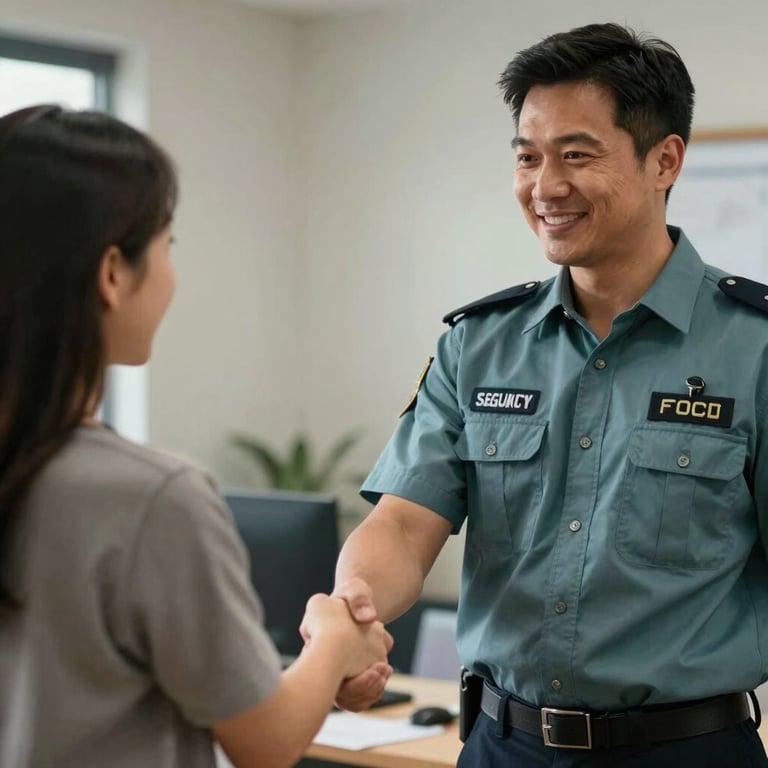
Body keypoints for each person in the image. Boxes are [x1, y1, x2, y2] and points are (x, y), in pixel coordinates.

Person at [329, 22, 768, 767]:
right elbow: (404, 527)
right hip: (502, 747)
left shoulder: (753, 347)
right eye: (528, 158)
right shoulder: (478, 343)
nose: (545, 187)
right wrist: (350, 616)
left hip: (687, 751)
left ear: (666, 160)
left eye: (576, 155)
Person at [0, 104, 392, 768]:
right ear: (113, 273)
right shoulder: (150, 498)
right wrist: (331, 642)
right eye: (167, 244)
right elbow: (263, 741)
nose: (171, 270)